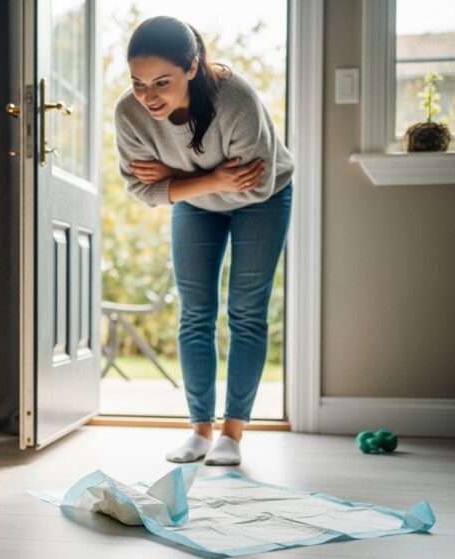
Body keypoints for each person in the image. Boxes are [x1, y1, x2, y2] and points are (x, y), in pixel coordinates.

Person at [114, 16, 293, 466]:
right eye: (138, 83)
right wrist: (212, 179)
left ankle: (232, 433)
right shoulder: (129, 114)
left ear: (192, 67)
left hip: (264, 200)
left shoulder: (235, 100)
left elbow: (253, 185)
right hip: (196, 202)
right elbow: (140, 189)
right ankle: (200, 431)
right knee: (195, 313)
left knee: (246, 312)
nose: (148, 97)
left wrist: (174, 176)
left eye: (161, 82)